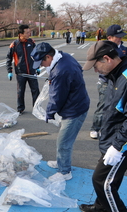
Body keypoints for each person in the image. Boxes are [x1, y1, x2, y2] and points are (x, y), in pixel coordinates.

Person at [80, 40, 127, 212]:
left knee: (102, 182)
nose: (95, 70)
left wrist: (117, 147)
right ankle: (100, 207)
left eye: (96, 66)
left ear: (107, 59)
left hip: (123, 143)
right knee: (110, 179)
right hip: (112, 137)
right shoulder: (115, 74)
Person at [31, 42, 90, 181]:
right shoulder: (65, 57)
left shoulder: (61, 70)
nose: (42, 66)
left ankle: (64, 172)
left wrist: (49, 114)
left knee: (64, 142)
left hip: (74, 110)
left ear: (48, 57)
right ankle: (61, 162)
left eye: (42, 62)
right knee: (63, 139)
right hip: (77, 103)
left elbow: (56, 97)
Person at [89, 24, 127, 139]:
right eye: (117, 36)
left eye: (121, 36)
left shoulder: (123, 49)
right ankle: (95, 127)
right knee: (104, 106)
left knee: (117, 108)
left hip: (119, 83)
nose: (120, 38)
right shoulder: (103, 48)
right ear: (109, 37)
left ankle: (110, 130)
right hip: (105, 82)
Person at [6, 24, 40, 115]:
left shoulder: (31, 42)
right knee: (20, 91)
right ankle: (20, 108)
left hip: (31, 71)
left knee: (35, 90)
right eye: (27, 32)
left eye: (29, 32)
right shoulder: (14, 45)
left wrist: (37, 67)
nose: (29, 34)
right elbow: (9, 58)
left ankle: (36, 108)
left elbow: (36, 55)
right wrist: (9, 71)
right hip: (21, 72)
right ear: (21, 34)